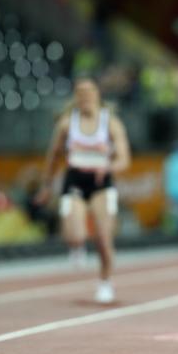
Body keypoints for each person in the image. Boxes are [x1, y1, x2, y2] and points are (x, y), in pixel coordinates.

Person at [36, 78, 131, 303]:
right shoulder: (67, 124)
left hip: (101, 184)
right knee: (75, 235)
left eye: (89, 92)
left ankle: (105, 282)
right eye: (81, 93)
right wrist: (46, 187)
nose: (86, 97)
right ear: (76, 98)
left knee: (103, 239)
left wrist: (108, 165)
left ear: (98, 95)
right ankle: (77, 247)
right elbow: (53, 158)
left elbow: (124, 159)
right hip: (75, 181)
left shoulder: (111, 123)